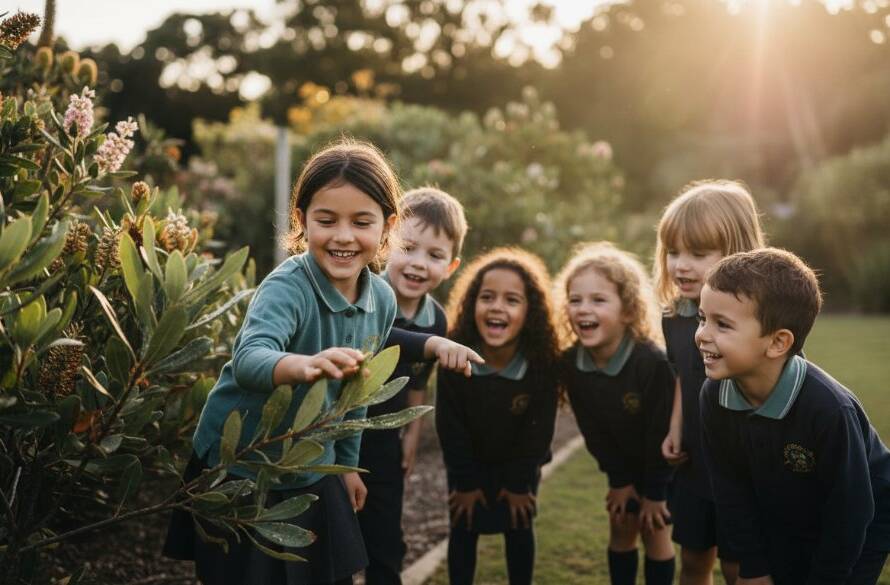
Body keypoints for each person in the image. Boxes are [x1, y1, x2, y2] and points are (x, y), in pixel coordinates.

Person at [164, 140, 480, 585]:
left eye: (362, 222)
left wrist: (347, 465)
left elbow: (355, 396)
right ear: (301, 220)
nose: (344, 236)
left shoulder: (382, 299)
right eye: (326, 220)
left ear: (387, 227)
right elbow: (251, 357)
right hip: (240, 462)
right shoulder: (288, 286)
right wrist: (304, 365)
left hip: (313, 459)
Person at [698, 248, 890, 585]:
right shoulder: (714, 396)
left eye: (722, 324)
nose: (702, 334)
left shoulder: (829, 410)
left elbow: (851, 514)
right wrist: (754, 567)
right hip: (789, 508)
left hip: (865, 518)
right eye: (702, 318)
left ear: (777, 343)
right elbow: (731, 490)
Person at [653, 180, 765, 585]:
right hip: (696, 462)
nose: (681, 265)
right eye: (674, 252)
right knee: (694, 563)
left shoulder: (757, 324)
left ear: (735, 252)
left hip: (744, 467)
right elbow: (686, 372)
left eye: (698, 254)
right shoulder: (676, 316)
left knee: (739, 570)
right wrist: (675, 427)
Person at [357, 187, 467, 585]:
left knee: (385, 539)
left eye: (435, 255)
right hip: (336, 431)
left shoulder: (435, 320)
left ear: (450, 266)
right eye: (409, 247)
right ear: (387, 243)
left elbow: (420, 379)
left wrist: (412, 436)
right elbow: (376, 339)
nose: (419, 264)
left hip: (385, 437)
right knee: (333, 540)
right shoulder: (362, 294)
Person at [436, 247, 560, 585]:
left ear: (530, 311)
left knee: (519, 527)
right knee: (463, 529)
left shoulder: (542, 365)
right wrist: (465, 482)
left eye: (512, 300)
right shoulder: (454, 358)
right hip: (467, 466)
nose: (497, 307)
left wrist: (520, 484)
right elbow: (450, 428)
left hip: (519, 467)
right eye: (487, 297)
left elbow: (539, 432)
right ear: (472, 303)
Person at [555, 241, 675, 585]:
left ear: (627, 310)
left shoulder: (651, 363)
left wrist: (655, 493)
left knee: (655, 534)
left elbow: (662, 430)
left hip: (662, 470)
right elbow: (593, 429)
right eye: (575, 300)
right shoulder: (572, 364)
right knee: (621, 528)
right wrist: (619, 481)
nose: (583, 309)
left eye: (598, 299)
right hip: (621, 468)